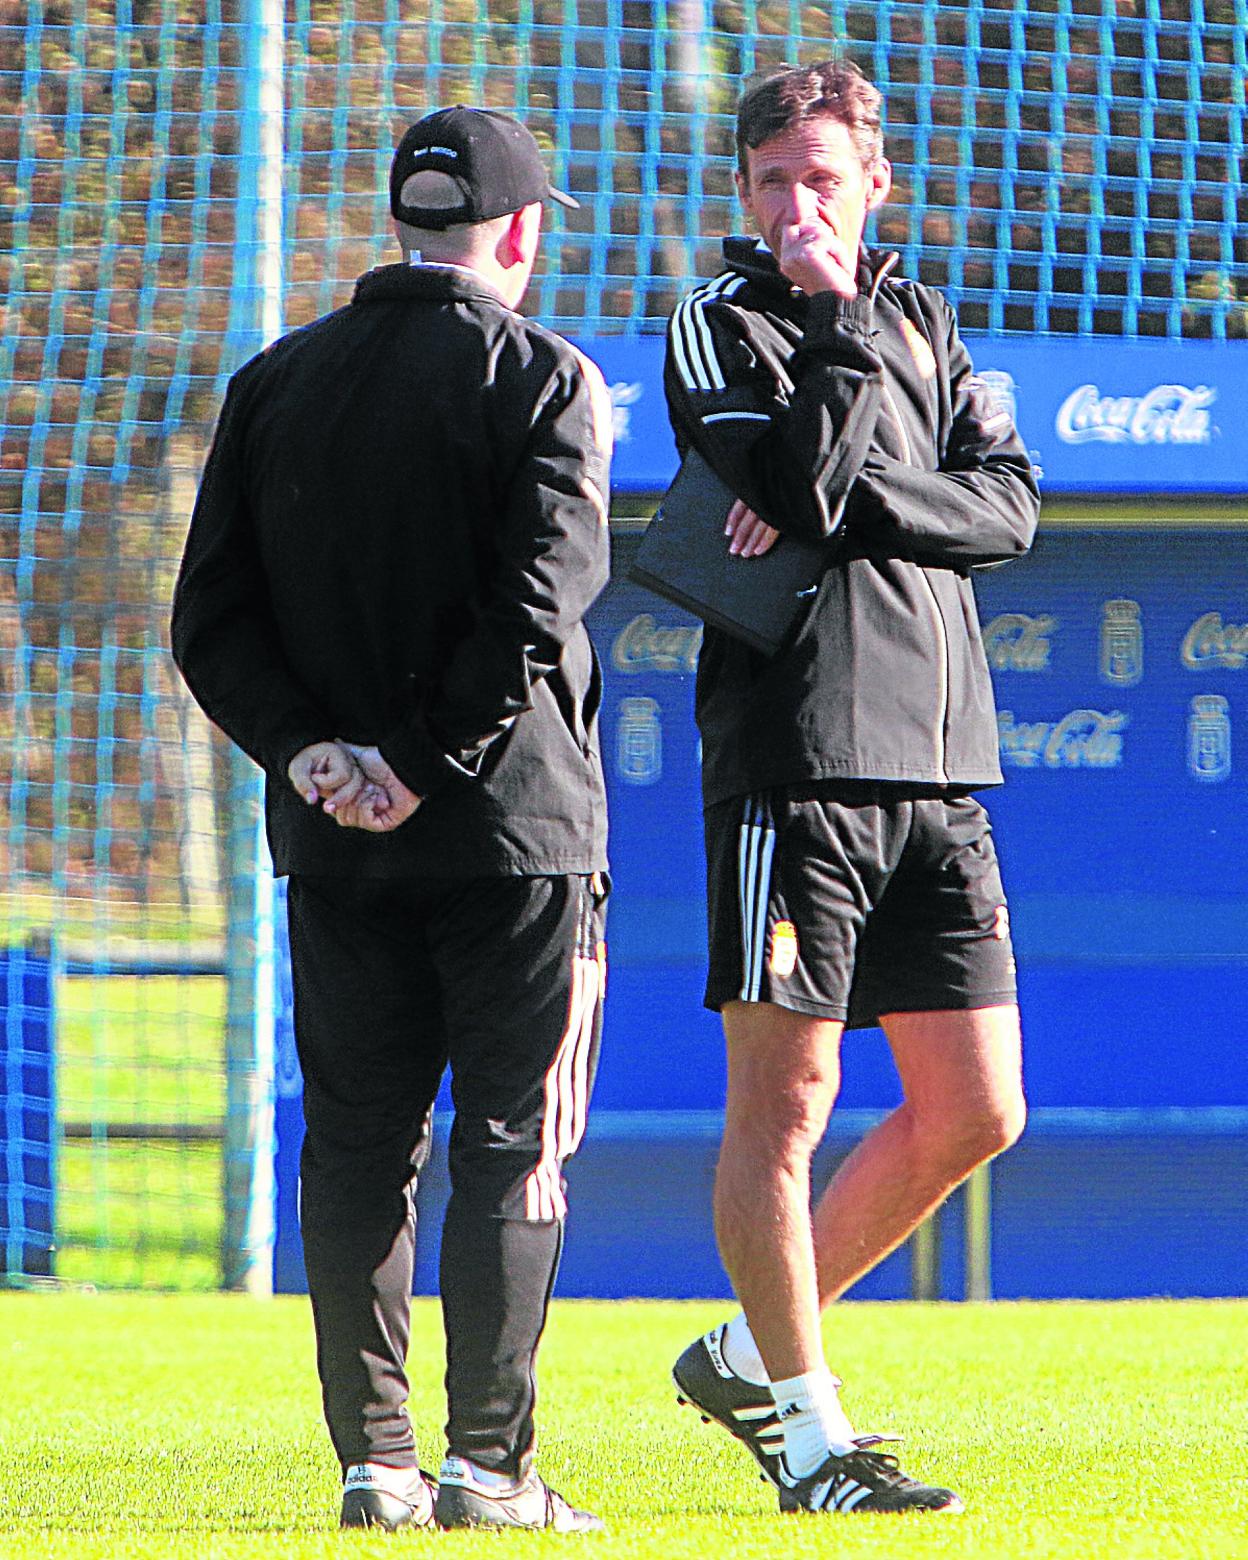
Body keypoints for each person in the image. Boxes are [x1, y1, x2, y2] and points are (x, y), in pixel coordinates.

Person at [171, 106, 613, 1533]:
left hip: (337, 846)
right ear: (524, 232)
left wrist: (313, 758)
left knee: (357, 1141)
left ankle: (374, 1464)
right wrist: (426, 760)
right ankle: (490, 1469)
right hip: (514, 837)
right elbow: (538, 609)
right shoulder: (548, 381)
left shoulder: (275, 382)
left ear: (405, 224)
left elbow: (210, 622)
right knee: (508, 1137)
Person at [663, 59, 1040, 1516]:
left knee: (977, 1109)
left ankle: (746, 1353)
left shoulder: (931, 319)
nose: (795, 204)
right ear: (743, 193)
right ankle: (812, 1440)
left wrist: (857, 502)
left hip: (940, 764)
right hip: (790, 764)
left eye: (823, 179)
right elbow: (804, 484)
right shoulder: (725, 323)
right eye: (770, 182)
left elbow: (1005, 512)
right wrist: (823, 320)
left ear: (877, 180)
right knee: (792, 1097)